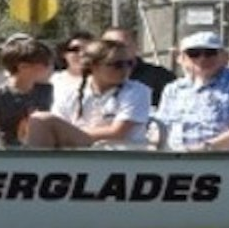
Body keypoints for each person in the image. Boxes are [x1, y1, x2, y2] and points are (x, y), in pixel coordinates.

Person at [24, 38, 152, 149]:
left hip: (121, 154)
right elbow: (61, 124)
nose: (126, 69)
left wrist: (71, 134)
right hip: (80, 154)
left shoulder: (138, 91)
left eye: (129, 63)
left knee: (44, 119)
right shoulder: (71, 92)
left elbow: (117, 132)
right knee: (38, 119)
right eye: (117, 65)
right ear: (94, 66)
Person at [156, 30, 229, 152]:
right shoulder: (173, 89)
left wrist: (206, 148)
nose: (202, 58)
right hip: (173, 161)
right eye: (194, 53)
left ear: (224, 57)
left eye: (210, 53)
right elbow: (160, 128)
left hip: (227, 162)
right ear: (180, 58)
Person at [0, 35, 54, 147]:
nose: (49, 68)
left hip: (38, 151)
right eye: (45, 64)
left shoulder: (45, 91)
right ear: (23, 67)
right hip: (7, 152)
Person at [102, 26, 175, 105]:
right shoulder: (94, 76)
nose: (115, 51)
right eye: (109, 46)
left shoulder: (160, 76)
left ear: (136, 47)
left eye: (121, 46)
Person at [51, 29, 93, 111]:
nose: (82, 54)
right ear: (64, 53)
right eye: (75, 49)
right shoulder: (52, 80)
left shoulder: (102, 81)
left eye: (87, 50)